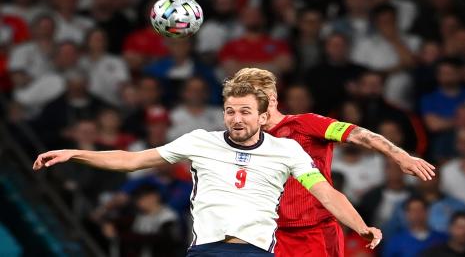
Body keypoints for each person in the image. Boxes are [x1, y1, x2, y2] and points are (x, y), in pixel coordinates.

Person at [33, 82, 382, 256]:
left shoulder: (286, 150)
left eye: (245, 111)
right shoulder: (200, 141)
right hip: (207, 250)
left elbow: (326, 194)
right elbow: (132, 160)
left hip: (256, 251)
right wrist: (75, 153)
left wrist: (361, 227)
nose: (236, 118)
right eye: (230, 110)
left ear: (263, 116)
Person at [228, 67, 435, 257]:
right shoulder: (245, 142)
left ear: (271, 100)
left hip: (315, 234)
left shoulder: (306, 124)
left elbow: (360, 135)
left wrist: (401, 156)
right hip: (270, 235)